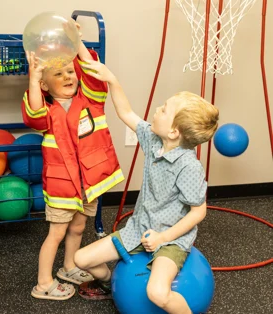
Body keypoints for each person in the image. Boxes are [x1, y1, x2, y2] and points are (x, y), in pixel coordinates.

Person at [74, 60, 219, 313]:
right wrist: (112, 80)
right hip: (139, 228)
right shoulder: (153, 139)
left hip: (171, 239)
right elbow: (125, 113)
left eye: (163, 110)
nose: (156, 109)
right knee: (81, 259)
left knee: (157, 293)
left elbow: (199, 212)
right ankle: (110, 285)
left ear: (174, 132)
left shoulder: (188, 166)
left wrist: (163, 237)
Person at [21, 22, 124, 301]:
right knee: (56, 233)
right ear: (44, 83)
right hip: (62, 186)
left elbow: (91, 70)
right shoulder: (46, 112)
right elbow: (32, 115)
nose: (68, 76)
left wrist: (76, 40)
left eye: (70, 71)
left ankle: (69, 267)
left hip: (88, 183)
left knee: (79, 227)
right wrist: (33, 78)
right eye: (58, 73)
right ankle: (43, 282)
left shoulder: (92, 100)